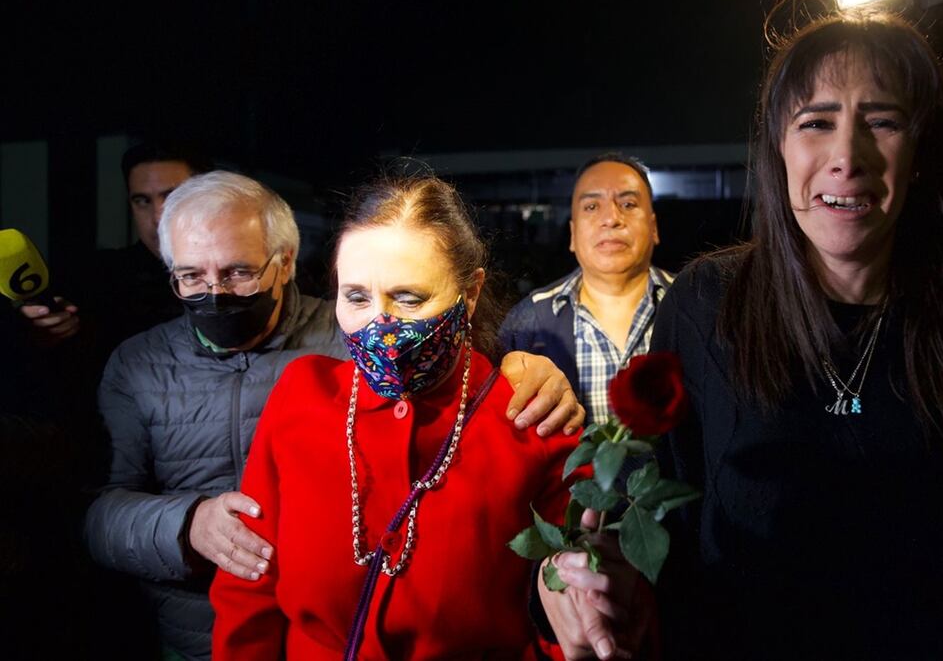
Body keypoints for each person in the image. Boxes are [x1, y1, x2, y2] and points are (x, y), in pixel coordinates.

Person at [544, 12, 943, 660]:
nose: (846, 158)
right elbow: (648, 510)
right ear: (777, 148)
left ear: (923, 152)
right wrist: (576, 575)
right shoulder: (705, 305)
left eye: (882, 121)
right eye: (815, 122)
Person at [85, 171, 585, 661]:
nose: (380, 325)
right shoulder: (302, 394)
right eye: (357, 297)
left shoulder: (531, 418)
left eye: (409, 298)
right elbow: (249, 593)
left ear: (469, 294)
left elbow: (573, 612)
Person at [500, 153, 672, 423]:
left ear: (654, 227)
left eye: (628, 204)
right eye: (592, 207)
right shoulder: (527, 322)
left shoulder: (695, 306)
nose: (612, 218)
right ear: (572, 234)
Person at [18, 141, 209, 361]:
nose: (158, 217)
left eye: (172, 197)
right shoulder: (99, 282)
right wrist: (38, 332)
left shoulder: (243, 279)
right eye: (142, 201)